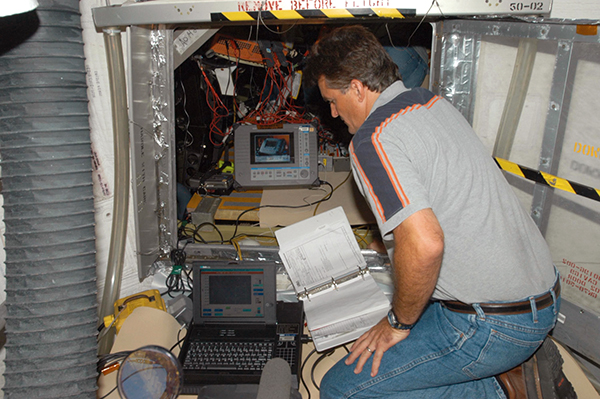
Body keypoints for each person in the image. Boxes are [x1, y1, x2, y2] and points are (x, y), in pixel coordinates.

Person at [304, 25, 560, 398]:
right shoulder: (430, 103)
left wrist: (397, 323)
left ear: (357, 88)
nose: (332, 112)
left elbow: (425, 245)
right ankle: (507, 374)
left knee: (342, 388)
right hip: (541, 298)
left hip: (495, 324)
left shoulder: (372, 139)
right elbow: (449, 197)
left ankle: (501, 391)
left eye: (332, 100)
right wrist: (392, 242)